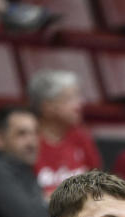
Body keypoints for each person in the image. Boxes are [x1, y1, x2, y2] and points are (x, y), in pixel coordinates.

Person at [28, 69, 102, 198]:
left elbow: (97, 183)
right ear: (47, 106)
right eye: (70, 98)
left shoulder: (81, 136)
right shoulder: (28, 140)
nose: (80, 103)